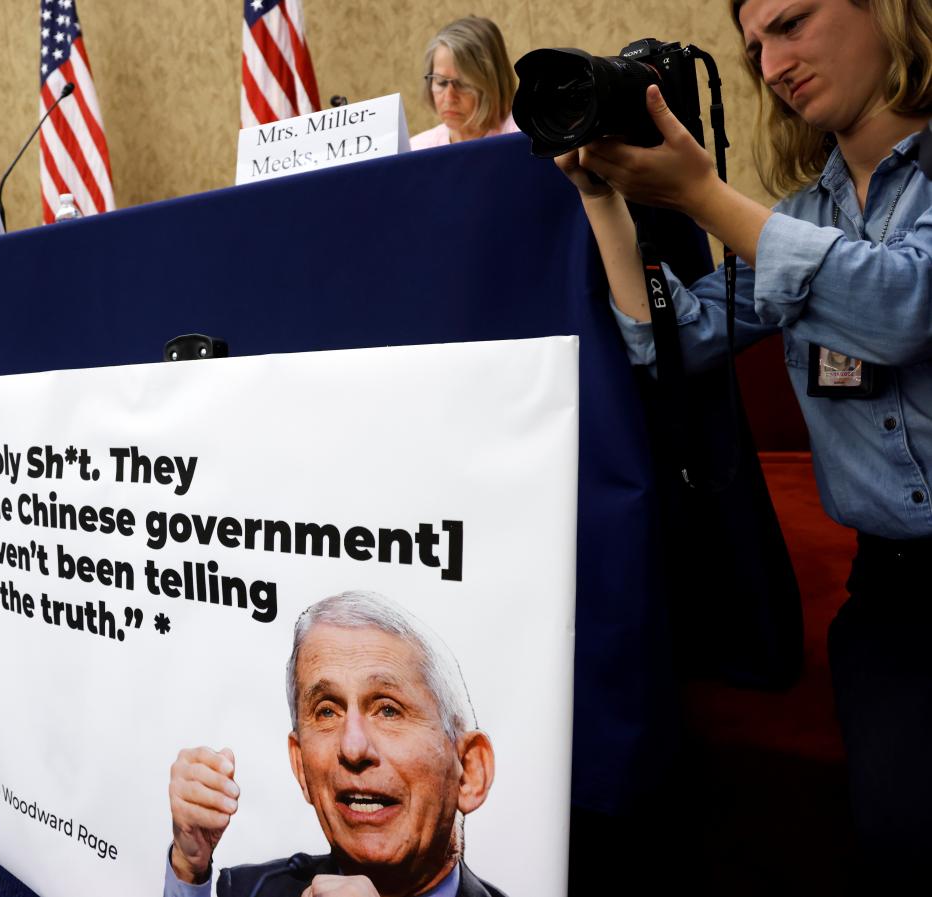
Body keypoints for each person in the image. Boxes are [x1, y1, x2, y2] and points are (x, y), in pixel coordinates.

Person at [555, 0, 932, 886]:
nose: (770, 63)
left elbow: (901, 305)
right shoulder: (804, 212)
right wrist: (605, 200)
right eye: (754, 44)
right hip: (893, 600)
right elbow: (666, 339)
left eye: (792, 22)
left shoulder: (778, 220)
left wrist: (701, 196)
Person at [165, 591, 504, 897]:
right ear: (300, 766)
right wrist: (188, 866)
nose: (353, 748)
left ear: (469, 772)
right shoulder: (247, 891)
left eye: (388, 710)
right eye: (327, 711)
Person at [410, 17, 519, 151]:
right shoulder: (416, 150)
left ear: (493, 83)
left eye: (463, 84)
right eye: (441, 82)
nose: (449, 98)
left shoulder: (526, 137)